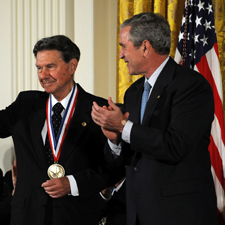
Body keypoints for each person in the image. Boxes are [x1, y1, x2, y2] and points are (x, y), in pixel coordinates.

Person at [91, 12, 218, 225]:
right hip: (138, 212)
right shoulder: (133, 92)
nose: (121, 55)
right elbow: (132, 156)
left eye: (124, 46)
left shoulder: (190, 86)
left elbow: (175, 145)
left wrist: (123, 126)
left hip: (179, 213)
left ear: (145, 47)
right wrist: (114, 139)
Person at [0, 35, 122, 225]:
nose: (43, 75)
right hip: (27, 216)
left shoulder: (99, 110)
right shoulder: (25, 104)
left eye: (50, 66)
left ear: (72, 66)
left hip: (76, 216)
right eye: (39, 68)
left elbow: (113, 168)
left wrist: (73, 183)